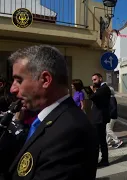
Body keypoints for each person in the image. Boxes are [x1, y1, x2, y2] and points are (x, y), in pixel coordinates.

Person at [3, 45, 99, 180]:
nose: (13, 89)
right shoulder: (46, 118)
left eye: (19, 80)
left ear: (46, 80)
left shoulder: (71, 132)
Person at [87, 73, 111, 167]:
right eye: (92, 80)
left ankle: (101, 160)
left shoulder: (103, 88)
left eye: (95, 79)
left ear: (100, 79)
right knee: (101, 140)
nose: (93, 82)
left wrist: (90, 91)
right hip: (99, 117)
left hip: (99, 118)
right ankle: (104, 159)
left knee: (98, 140)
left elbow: (92, 97)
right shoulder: (101, 89)